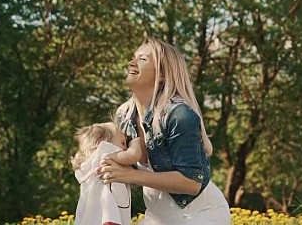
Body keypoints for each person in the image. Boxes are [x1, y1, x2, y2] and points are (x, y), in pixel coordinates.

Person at [98, 37, 231, 224]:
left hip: (200, 216)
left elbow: (192, 183)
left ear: (162, 74)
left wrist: (131, 175)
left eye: (142, 59)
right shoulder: (124, 115)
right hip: (157, 217)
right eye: (133, 57)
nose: (131, 63)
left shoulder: (179, 115)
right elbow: (114, 162)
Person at [72, 122, 144, 225]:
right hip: (110, 217)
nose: (125, 148)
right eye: (123, 143)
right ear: (103, 142)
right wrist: (136, 141)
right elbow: (133, 156)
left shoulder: (91, 166)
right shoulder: (106, 151)